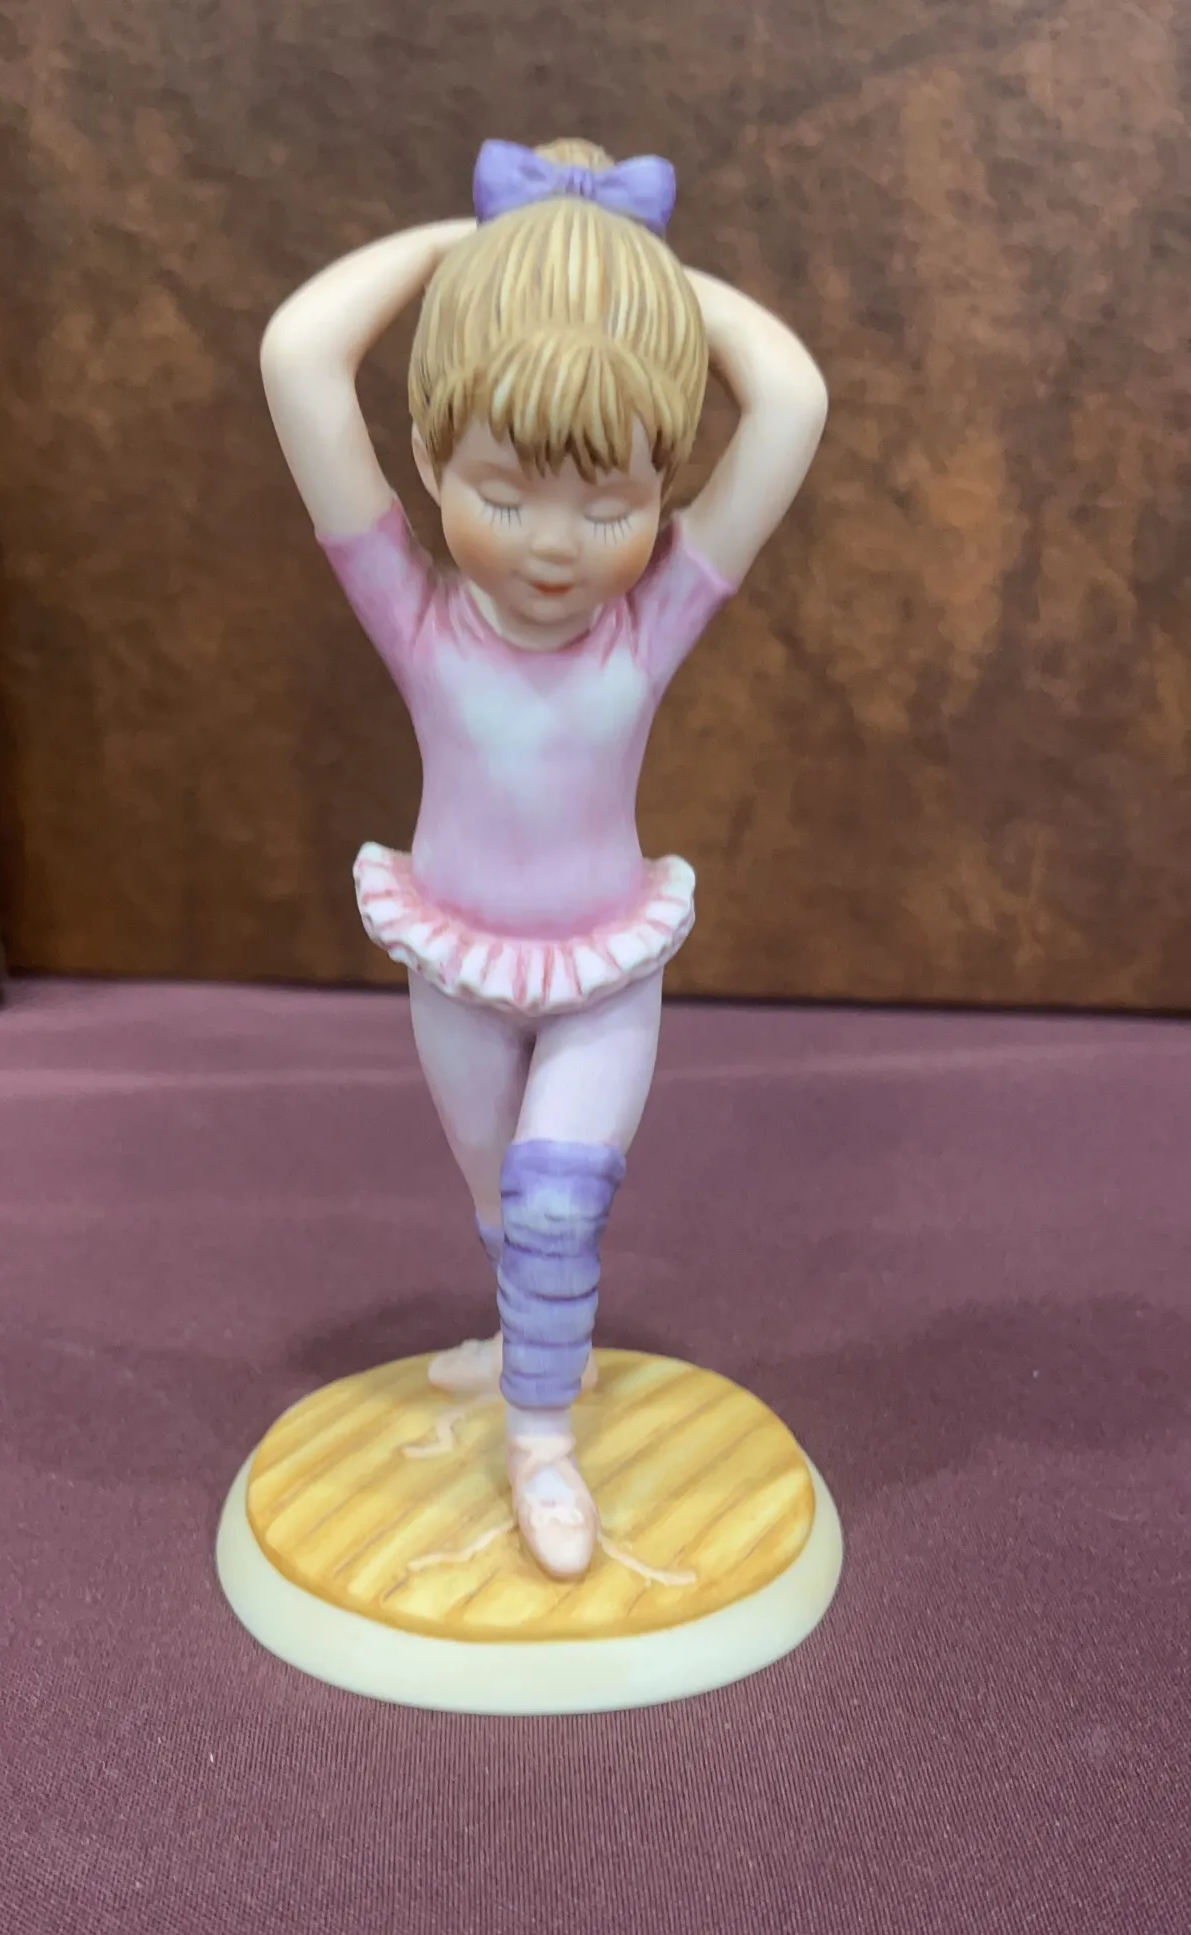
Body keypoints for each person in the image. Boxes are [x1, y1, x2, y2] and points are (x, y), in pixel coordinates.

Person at [260, 136, 827, 1582]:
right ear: (431, 464)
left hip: (601, 973)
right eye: (505, 498)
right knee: (492, 1201)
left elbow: (793, 401)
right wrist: (473, 253)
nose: (558, 548)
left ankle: (541, 1444)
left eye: (612, 507)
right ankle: (524, 1331)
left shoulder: (655, 623)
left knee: (555, 1197)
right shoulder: (415, 618)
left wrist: (632, 278)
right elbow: (300, 357)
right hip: (454, 964)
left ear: (663, 495)